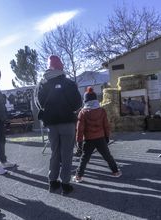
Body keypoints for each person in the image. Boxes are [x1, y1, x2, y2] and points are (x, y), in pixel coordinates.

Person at [35, 55, 82, 195]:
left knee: (55, 152)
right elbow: (78, 103)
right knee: (67, 154)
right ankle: (66, 184)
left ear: (49, 67)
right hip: (67, 122)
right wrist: (71, 111)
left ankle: (52, 182)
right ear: (61, 66)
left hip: (51, 124)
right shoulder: (69, 83)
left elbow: (39, 103)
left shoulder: (42, 84)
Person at [72, 87, 122, 183]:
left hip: (88, 139)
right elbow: (106, 126)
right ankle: (116, 172)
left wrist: (79, 141)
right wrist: (107, 136)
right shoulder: (102, 111)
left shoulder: (82, 113)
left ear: (85, 100)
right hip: (100, 138)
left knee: (84, 158)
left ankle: (78, 176)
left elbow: (80, 129)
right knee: (107, 156)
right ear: (96, 100)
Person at [0, 68, 16, 175]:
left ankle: (3, 161)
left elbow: (0, 104)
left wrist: (4, 117)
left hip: (0, 119)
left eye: (0, 74)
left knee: (1, 141)